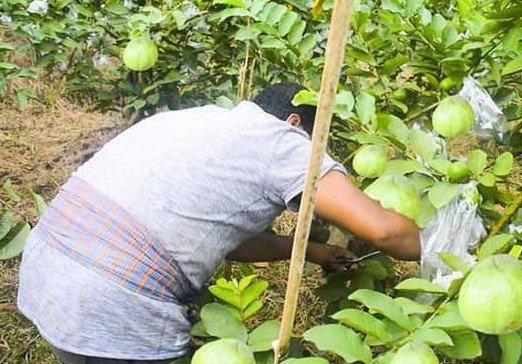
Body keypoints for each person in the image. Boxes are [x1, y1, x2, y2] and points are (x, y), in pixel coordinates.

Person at [17, 82, 420, 363]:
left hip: (48, 277)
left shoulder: (189, 121)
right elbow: (384, 230)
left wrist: (311, 252)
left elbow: (215, 234)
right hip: (117, 304)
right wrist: (451, 254)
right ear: (295, 124)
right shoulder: (280, 142)